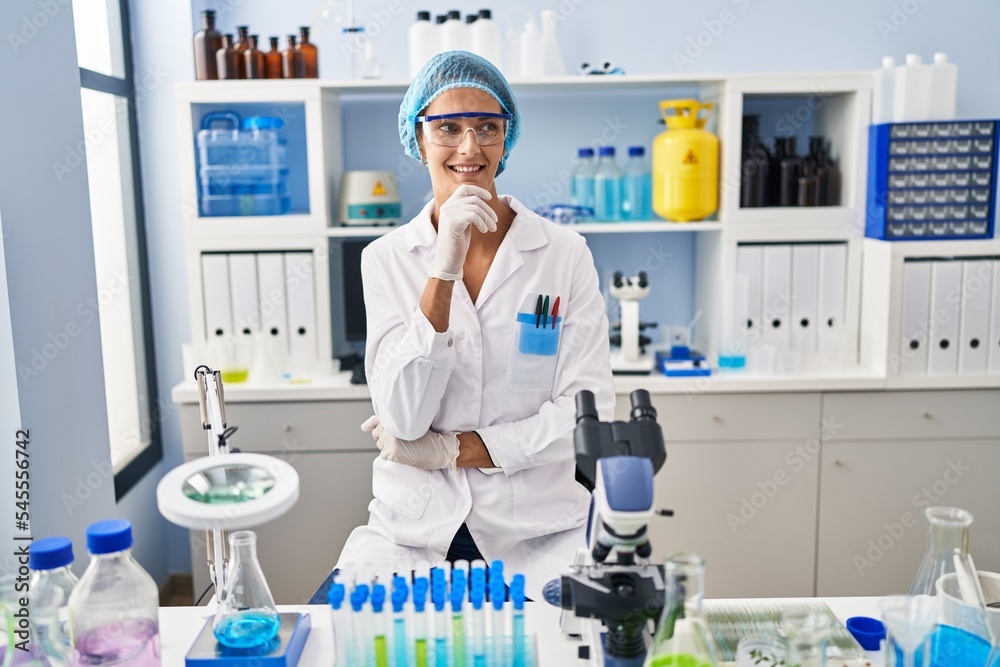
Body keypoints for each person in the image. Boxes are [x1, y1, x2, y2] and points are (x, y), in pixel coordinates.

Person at [324, 51, 614, 602]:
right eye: (448, 127)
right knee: (354, 642)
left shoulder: (563, 253)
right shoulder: (386, 258)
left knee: (577, 648)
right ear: (418, 137)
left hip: (538, 529)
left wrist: (454, 450)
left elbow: (586, 415)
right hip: (414, 531)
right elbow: (404, 417)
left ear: (507, 137)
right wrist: (444, 268)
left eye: (487, 126)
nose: (469, 146)